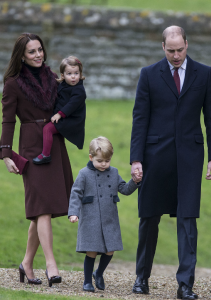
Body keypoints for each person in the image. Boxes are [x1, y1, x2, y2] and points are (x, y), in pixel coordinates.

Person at [130, 26, 211, 299]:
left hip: (191, 159)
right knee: (149, 218)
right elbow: (140, 119)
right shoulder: (148, 74)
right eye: (170, 50)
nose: (176, 55)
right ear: (162, 47)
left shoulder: (203, 74)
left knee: (188, 220)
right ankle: (141, 278)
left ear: (187, 45)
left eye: (180, 49)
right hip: (154, 157)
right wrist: (136, 159)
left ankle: (185, 286)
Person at [0, 33, 73, 286]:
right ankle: (51, 264)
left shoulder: (54, 78)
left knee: (43, 208)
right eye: (32, 52)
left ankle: (27, 263)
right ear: (21, 55)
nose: (38, 55)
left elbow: (71, 103)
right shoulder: (12, 83)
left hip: (54, 143)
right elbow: (8, 119)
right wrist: (6, 153)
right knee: (41, 206)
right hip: (31, 146)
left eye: (40, 49)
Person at [68, 136, 141, 292]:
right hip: (90, 218)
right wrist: (73, 213)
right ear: (91, 157)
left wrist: (134, 182)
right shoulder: (84, 173)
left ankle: (98, 273)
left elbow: (124, 189)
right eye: (100, 161)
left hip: (109, 219)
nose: (104, 164)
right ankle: (87, 281)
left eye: (107, 161)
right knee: (92, 251)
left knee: (110, 250)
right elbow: (75, 193)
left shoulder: (113, 173)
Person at [33, 56, 86, 164]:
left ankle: (46, 155)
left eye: (76, 73)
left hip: (71, 120)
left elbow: (71, 105)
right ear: (63, 75)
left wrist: (59, 114)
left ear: (80, 74)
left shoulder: (79, 91)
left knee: (48, 129)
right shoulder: (63, 85)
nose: (73, 77)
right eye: (69, 74)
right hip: (64, 117)